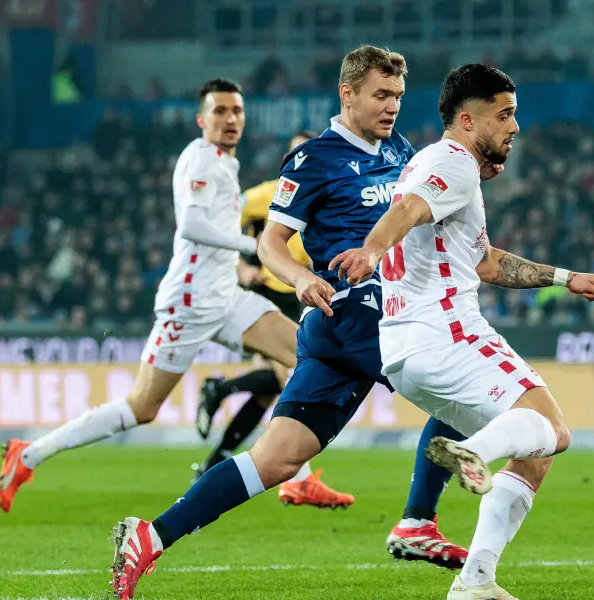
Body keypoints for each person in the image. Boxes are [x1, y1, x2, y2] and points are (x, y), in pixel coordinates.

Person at [108, 46, 470, 600]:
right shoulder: (313, 160)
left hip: (342, 331)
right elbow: (269, 242)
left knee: (276, 460)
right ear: (347, 94)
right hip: (356, 313)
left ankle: (150, 536)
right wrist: (299, 278)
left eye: (397, 96)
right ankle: (418, 521)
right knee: (462, 386)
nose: (392, 106)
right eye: (380, 95)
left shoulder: (398, 148)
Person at [330, 64, 594, 599]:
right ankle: (474, 451)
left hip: (405, 353)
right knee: (552, 430)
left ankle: (476, 581)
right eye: (504, 115)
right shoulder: (452, 162)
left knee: (534, 453)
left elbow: (484, 263)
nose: (515, 127)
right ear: (466, 120)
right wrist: (370, 249)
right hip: (447, 333)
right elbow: (409, 210)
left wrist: (564, 278)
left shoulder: (437, 168)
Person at [0, 78, 304, 513]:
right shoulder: (200, 160)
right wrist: (251, 247)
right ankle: (28, 455)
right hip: (191, 301)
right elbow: (191, 226)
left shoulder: (224, 163)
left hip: (225, 296)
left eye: (236, 111)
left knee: (304, 354)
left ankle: (298, 479)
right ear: (202, 119)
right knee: (142, 407)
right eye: (219, 111)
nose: (230, 119)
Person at [194, 130, 352, 508]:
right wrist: (238, 265)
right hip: (272, 289)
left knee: (271, 390)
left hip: (302, 291)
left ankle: (217, 452)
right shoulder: (266, 193)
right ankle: (295, 477)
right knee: (291, 374)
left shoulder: (330, 188)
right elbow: (217, 225)